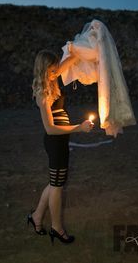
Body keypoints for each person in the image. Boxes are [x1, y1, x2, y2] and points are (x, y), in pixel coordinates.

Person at [27, 46, 94, 245]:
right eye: (53, 68)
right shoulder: (42, 93)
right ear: (43, 69)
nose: (57, 71)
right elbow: (50, 129)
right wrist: (79, 128)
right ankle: (57, 228)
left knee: (55, 182)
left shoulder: (53, 79)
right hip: (55, 141)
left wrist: (91, 37)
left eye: (57, 68)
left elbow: (73, 59)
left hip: (61, 141)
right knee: (57, 186)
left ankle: (36, 216)